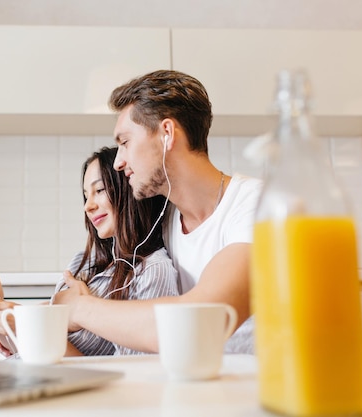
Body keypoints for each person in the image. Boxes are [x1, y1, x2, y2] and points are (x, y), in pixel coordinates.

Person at [53, 70, 263, 354]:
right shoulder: (163, 223)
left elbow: (199, 324)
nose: (117, 162)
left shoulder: (257, 205)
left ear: (167, 133)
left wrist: (80, 308)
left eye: (125, 143)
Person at [0, 146, 179, 356]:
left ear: (129, 190)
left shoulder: (153, 271)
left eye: (99, 191)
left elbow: (132, 374)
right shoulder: (85, 262)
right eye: (86, 195)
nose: (88, 206)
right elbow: (27, 351)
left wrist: (27, 326)